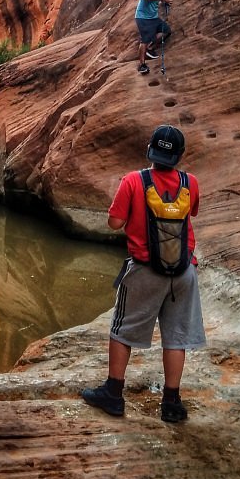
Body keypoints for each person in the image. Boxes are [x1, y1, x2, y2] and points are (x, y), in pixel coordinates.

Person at [80, 125, 206, 422]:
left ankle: (113, 394)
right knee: (176, 337)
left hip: (145, 270)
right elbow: (193, 213)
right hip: (184, 271)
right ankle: (172, 403)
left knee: (122, 331)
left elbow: (114, 222)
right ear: (179, 155)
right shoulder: (191, 183)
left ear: (150, 150)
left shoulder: (134, 181)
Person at [134, 0, 173, 74]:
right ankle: (142, 65)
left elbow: (153, 1)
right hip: (143, 17)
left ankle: (150, 48)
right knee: (144, 40)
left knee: (166, 31)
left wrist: (163, 2)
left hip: (153, 17)